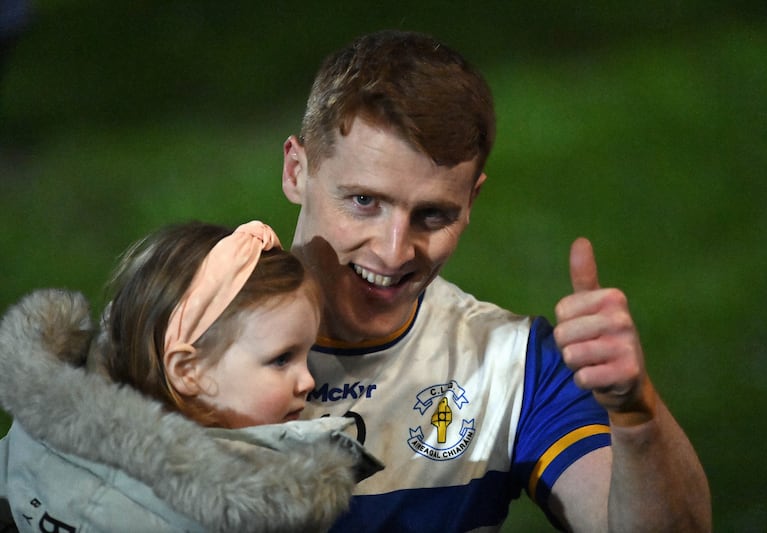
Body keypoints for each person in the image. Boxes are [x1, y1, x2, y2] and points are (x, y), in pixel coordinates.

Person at [281, 30, 712, 532]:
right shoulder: (189, 338)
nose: (394, 250)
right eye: (363, 202)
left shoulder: (514, 367)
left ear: (471, 203)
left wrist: (636, 417)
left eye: (433, 215)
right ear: (297, 171)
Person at [0, 220, 381, 532]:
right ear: (188, 370)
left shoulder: (41, 431)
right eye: (282, 360)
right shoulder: (224, 510)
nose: (308, 381)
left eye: (305, 356)